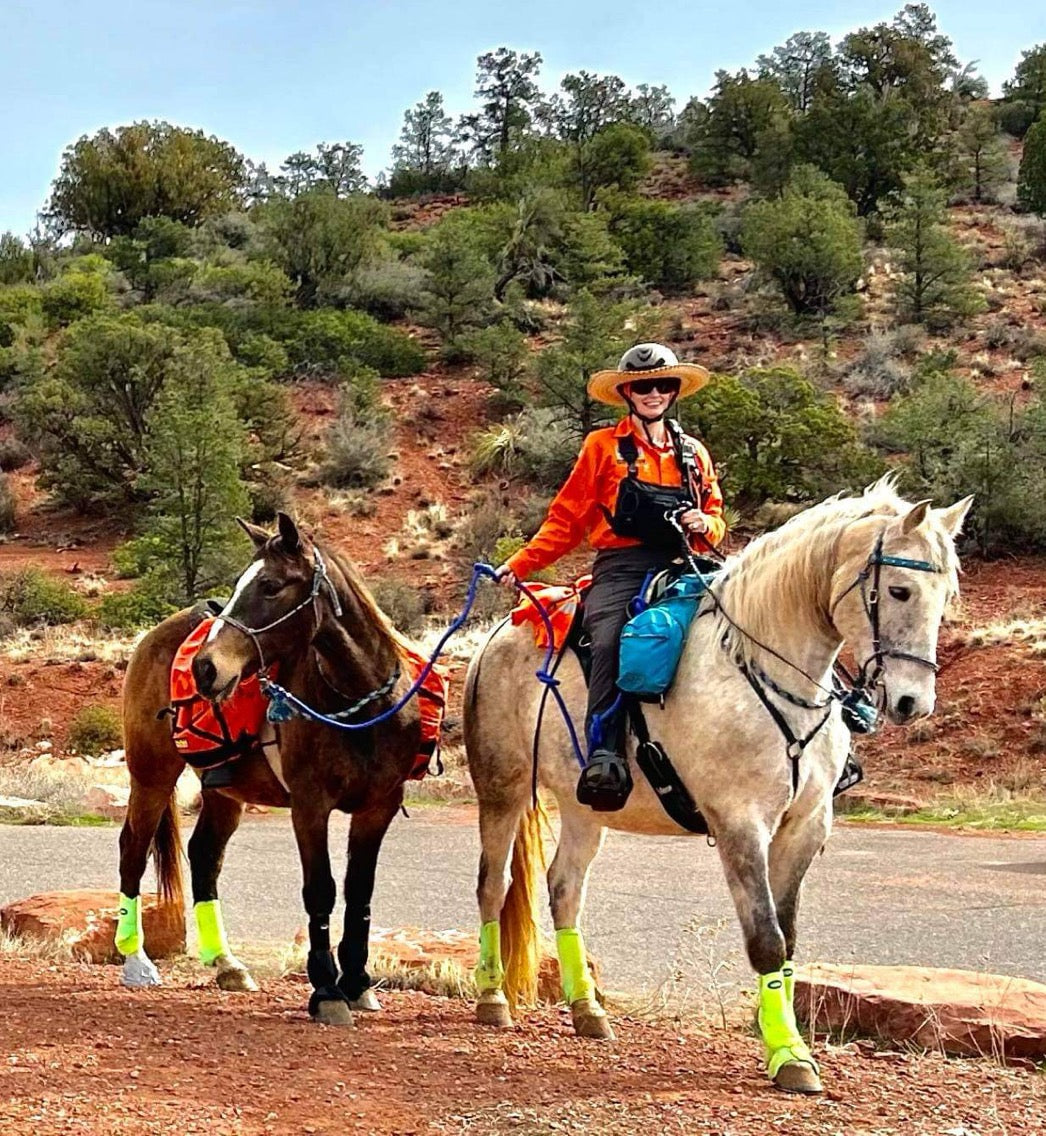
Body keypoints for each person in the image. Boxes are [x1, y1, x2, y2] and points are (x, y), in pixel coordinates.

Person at [497, 343, 726, 811]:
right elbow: (568, 519)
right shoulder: (602, 447)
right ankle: (605, 753)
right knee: (608, 639)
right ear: (627, 392)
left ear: (675, 390)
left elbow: (715, 514)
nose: (655, 393)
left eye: (664, 384)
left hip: (686, 561)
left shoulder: (694, 453)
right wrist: (520, 563)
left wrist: (708, 525)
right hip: (623, 567)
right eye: (644, 386)